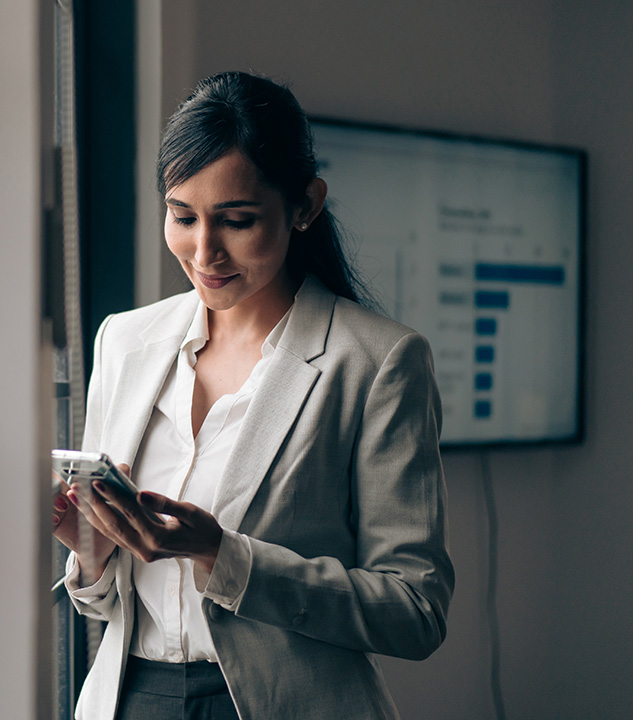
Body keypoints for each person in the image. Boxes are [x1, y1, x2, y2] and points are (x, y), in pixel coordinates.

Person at [51, 71, 454, 720]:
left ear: (305, 206)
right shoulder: (123, 343)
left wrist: (223, 556)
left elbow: (415, 612)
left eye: (237, 221)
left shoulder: (379, 362)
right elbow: (105, 606)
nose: (204, 251)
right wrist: (91, 549)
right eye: (182, 216)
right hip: (132, 700)